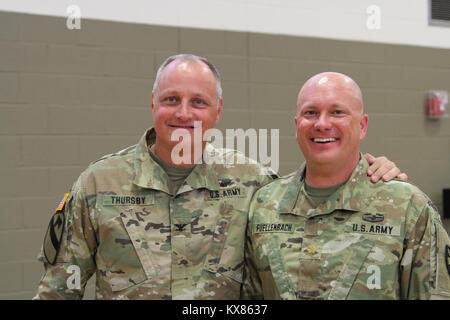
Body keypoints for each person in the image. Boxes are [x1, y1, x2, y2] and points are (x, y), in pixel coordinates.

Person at [34, 56, 405, 300]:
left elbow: (319, 204)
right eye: (170, 100)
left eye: (198, 102)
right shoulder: (100, 184)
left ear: (218, 111)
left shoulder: (254, 183)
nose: (183, 113)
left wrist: (372, 173)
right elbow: (57, 291)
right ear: (152, 104)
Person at [243, 72, 450, 300]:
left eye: (337, 112)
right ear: (296, 125)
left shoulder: (407, 207)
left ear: (362, 126)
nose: (322, 124)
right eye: (310, 113)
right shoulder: (264, 205)